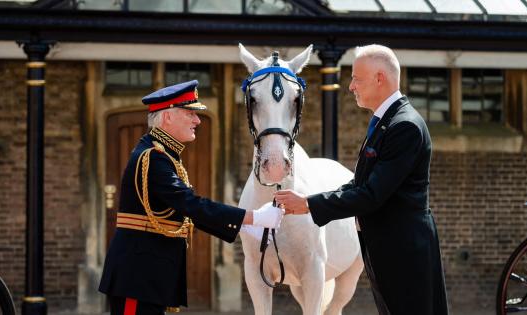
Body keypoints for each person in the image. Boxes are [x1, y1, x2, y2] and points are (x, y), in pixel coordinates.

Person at [275, 45, 449, 315]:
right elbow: (359, 183)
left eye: (357, 78)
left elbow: (371, 194)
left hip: (403, 249)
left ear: (380, 78)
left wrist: (309, 205)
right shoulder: (386, 122)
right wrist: (311, 201)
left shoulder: (404, 126)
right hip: (387, 247)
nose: (351, 86)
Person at [99, 80, 283, 315]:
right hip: (138, 275)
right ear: (167, 117)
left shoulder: (163, 155)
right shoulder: (153, 158)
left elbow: (185, 212)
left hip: (146, 275)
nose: (197, 120)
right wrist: (255, 217)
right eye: (190, 113)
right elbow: (191, 205)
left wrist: (244, 228)